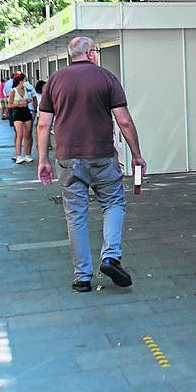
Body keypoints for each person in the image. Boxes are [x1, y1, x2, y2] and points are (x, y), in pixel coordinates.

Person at [37, 36, 145, 293]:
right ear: (91, 53)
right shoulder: (105, 77)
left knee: (75, 215)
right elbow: (124, 121)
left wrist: (43, 159)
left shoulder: (54, 81)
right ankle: (110, 256)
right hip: (102, 156)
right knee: (113, 203)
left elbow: (43, 124)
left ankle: (82, 277)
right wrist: (136, 154)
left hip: (67, 159)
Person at [7, 76, 35, 163]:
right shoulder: (13, 91)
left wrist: (27, 101)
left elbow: (31, 99)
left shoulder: (26, 89)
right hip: (17, 112)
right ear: (20, 81)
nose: (25, 82)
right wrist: (18, 104)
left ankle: (26, 154)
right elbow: (9, 105)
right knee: (20, 134)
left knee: (27, 134)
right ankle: (18, 155)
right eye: (24, 80)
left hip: (26, 111)